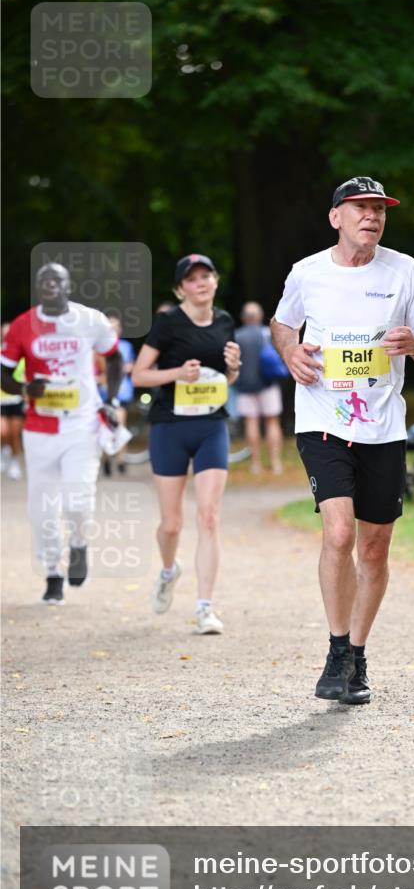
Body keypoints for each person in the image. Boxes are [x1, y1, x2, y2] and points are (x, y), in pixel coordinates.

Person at [271, 176, 414, 704]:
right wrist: (290, 352)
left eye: (379, 209)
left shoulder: (404, 270)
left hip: (383, 426)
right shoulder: (307, 273)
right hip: (324, 418)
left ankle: (359, 655)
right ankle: (337, 648)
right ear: (335, 218)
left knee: (374, 546)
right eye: (360, 208)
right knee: (339, 533)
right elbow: (282, 325)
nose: (372, 216)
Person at [131, 254, 242, 635]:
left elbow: (223, 379)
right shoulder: (167, 323)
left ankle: (205, 608)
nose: (200, 283)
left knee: (209, 517)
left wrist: (234, 368)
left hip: (211, 424)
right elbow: (138, 375)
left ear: (215, 280)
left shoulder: (225, 320)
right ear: (180, 288)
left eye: (206, 276)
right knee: (171, 523)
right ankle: (168, 570)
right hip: (170, 427)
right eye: (192, 279)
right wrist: (179, 373)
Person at [0, 263, 122, 603]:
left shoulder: (90, 320)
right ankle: (53, 573)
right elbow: (3, 373)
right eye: (44, 281)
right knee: (41, 508)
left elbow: (114, 358)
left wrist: (110, 399)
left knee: (77, 501)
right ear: (38, 288)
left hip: (81, 425)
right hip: (39, 429)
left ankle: (80, 544)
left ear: (69, 286)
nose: (51, 285)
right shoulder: (23, 325)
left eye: (57, 280)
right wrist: (25, 388)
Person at [234, 301, 284, 475]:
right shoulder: (266, 334)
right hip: (268, 384)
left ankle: (255, 464)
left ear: (243, 317)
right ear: (260, 316)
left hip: (245, 387)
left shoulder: (237, 336)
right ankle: (276, 463)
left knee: (251, 422)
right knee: (272, 422)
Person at [99, 313, 135, 476]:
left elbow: (131, 364)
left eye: (116, 327)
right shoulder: (98, 347)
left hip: (122, 392)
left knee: (119, 424)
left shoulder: (126, 346)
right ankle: (106, 458)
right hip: (103, 393)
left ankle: (121, 459)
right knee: (106, 427)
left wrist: (127, 367)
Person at [1, 322, 25, 480]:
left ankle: (15, 461)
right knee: (3, 432)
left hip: (16, 399)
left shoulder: (21, 355)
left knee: (15, 434)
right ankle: (3, 452)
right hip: (1, 400)